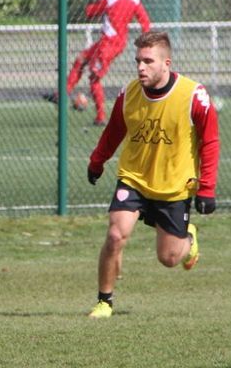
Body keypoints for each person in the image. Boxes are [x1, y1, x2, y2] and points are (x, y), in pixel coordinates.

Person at [86, 31, 220, 318]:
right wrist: (97, 161)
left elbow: (210, 141)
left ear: (166, 63)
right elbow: (113, 132)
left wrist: (207, 189)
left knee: (169, 258)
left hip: (173, 186)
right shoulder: (129, 93)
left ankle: (189, 240)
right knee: (115, 235)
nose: (140, 68)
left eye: (148, 61)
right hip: (134, 178)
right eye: (138, 61)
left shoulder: (193, 96)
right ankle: (104, 301)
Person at [43, 0, 150, 126]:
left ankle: (100, 117)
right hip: (113, 42)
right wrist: (146, 40)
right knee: (80, 60)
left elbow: (92, 12)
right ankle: (61, 94)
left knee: (94, 78)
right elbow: (145, 22)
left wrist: (86, 7)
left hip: (107, 45)